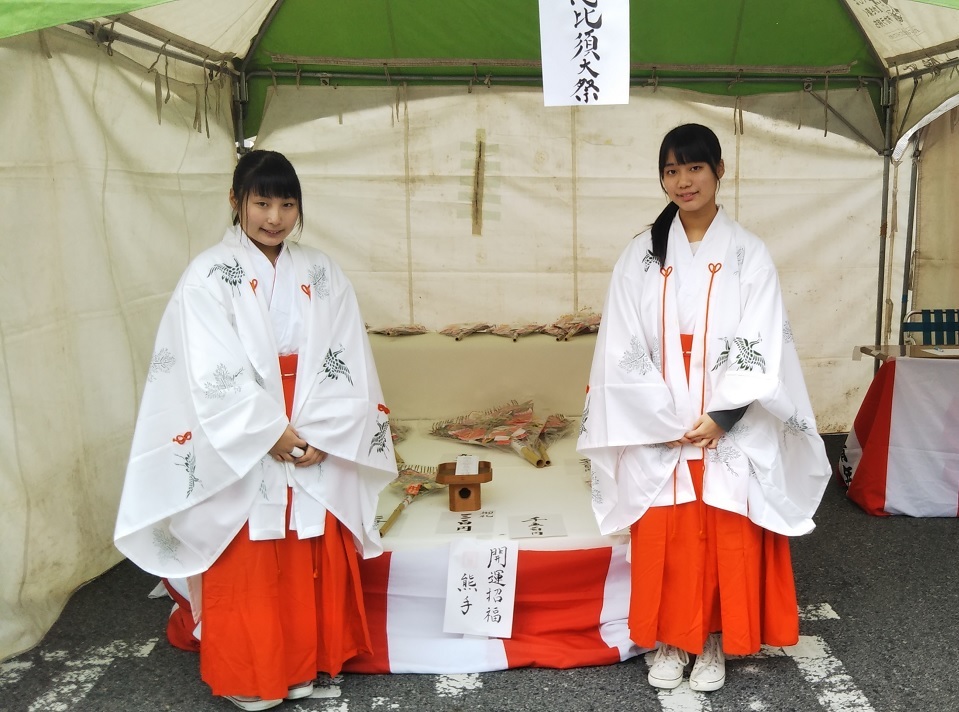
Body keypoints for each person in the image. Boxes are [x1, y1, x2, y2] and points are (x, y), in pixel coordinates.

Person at [115, 150, 396, 710]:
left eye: (287, 204)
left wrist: (324, 433)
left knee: (303, 547)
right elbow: (209, 369)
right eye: (261, 202)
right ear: (235, 202)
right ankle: (249, 672)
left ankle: (300, 664)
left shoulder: (321, 270)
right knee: (247, 555)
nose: (274, 216)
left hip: (313, 422)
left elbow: (346, 357)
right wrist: (268, 431)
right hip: (242, 430)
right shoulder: (207, 275)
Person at [577, 124, 830, 692]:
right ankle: (670, 636)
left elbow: (760, 339)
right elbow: (621, 341)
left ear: (720, 169)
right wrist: (657, 415)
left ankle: (713, 637)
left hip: (725, 418)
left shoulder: (748, 253)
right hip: (661, 416)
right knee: (665, 531)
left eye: (694, 168)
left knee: (721, 532)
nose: (683, 181)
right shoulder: (641, 253)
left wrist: (724, 415)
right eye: (671, 170)